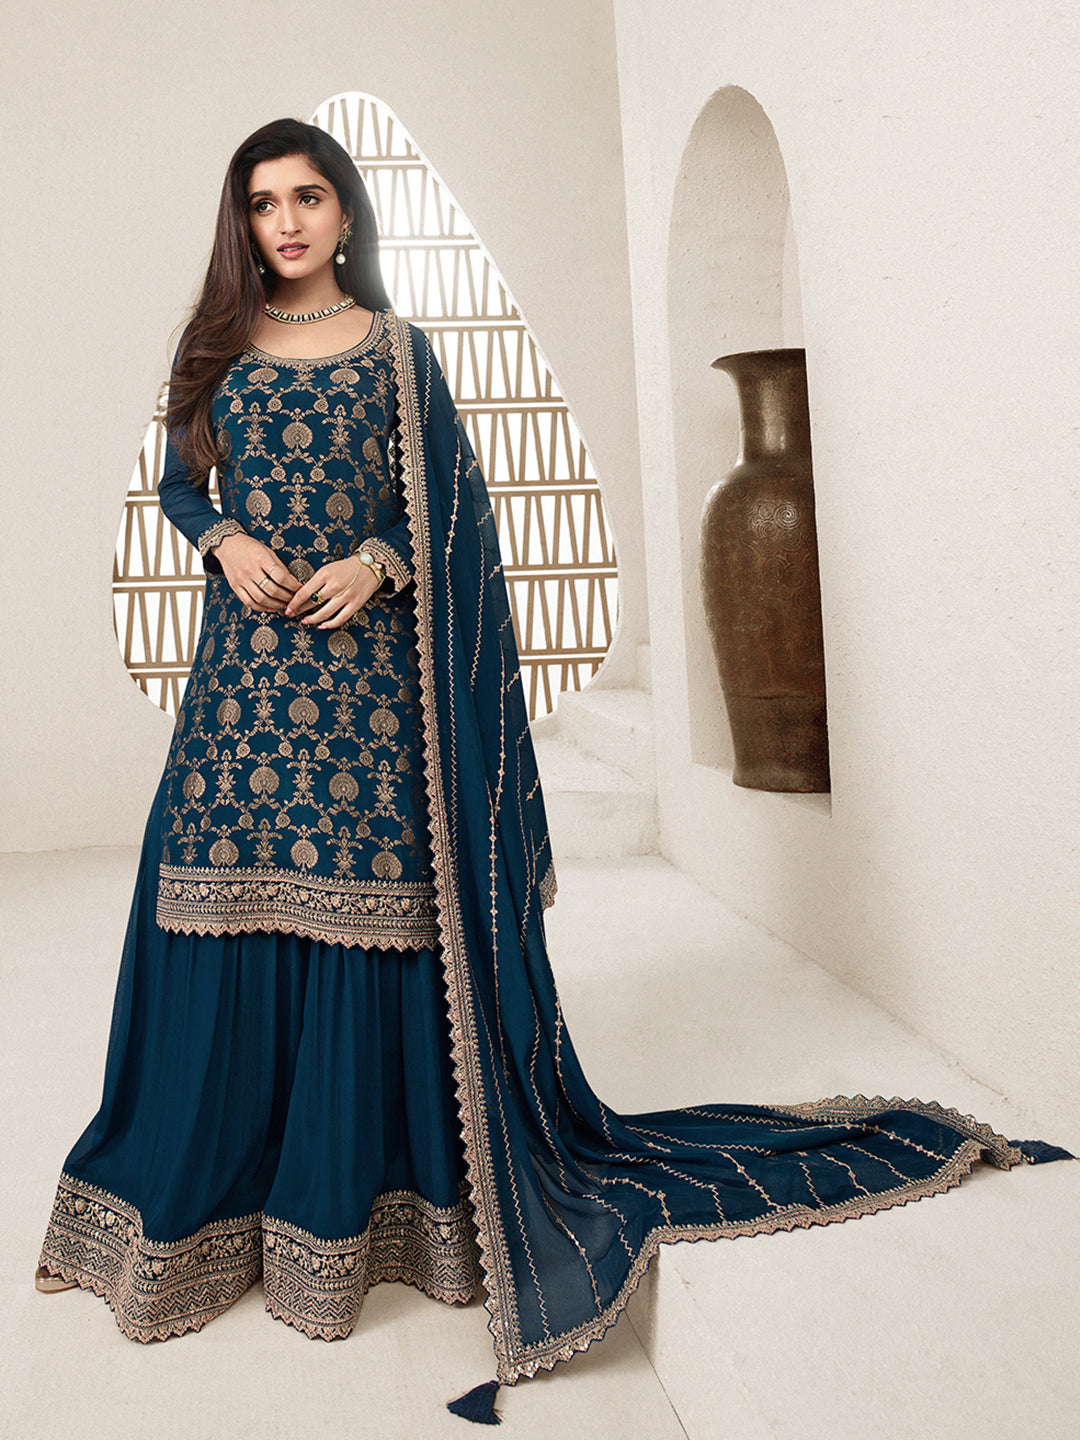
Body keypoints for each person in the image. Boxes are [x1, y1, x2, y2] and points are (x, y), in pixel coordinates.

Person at [37, 118, 1070, 1424]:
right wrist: (223, 538)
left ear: (346, 212)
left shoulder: (398, 352)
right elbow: (185, 483)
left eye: (308, 197)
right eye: (262, 203)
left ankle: (359, 1208)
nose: (285, 222)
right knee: (216, 913)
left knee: (374, 927)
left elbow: (453, 509)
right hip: (242, 693)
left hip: (367, 698)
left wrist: (380, 561)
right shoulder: (216, 343)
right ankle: (211, 1202)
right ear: (240, 221)